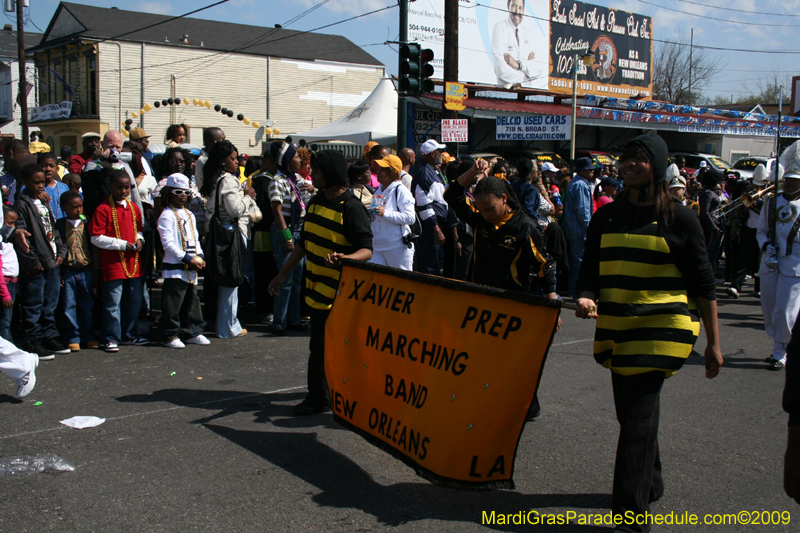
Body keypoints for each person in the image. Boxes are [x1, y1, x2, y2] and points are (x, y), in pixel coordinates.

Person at [575, 134, 722, 533]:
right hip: (618, 328)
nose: (629, 165)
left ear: (656, 166)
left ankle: (630, 518)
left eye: (639, 159)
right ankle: (651, 482)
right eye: (626, 159)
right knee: (632, 418)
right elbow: (589, 268)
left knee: (637, 421)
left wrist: (714, 343)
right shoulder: (606, 216)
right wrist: (586, 296)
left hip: (661, 331)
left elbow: (704, 283)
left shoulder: (680, 218)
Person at [268, 149, 373, 415]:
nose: (311, 172)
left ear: (333, 174)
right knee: (321, 346)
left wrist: (346, 258)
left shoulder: (351, 207)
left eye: (316, 168)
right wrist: (282, 273)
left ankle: (320, 398)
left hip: (339, 294)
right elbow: (304, 244)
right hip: (316, 289)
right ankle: (326, 395)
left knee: (323, 347)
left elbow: (366, 249)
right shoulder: (315, 202)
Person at [14, 163, 69, 360]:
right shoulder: (22, 204)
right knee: (34, 302)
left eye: (43, 183)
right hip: (37, 263)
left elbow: (53, 230)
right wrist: (32, 261)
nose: (40, 186)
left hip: (52, 259)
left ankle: (49, 336)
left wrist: (61, 251)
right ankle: (32, 339)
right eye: (35, 183)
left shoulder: (44, 201)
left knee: (50, 302)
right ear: (25, 182)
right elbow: (23, 237)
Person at [201, 140, 255, 339]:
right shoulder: (229, 181)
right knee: (231, 281)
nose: (237, 162)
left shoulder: (213, 179)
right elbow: (235, 210)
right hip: (231, 234)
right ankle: (229, 326)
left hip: (217, 233)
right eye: (232, 158)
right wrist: (248, 196)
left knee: (224, 281)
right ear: (222, 160)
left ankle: (226, 324)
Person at [90, 169, 148, 352]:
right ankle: (111, 337)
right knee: (112, 303)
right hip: (113, 264)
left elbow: (139, 230)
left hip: (133, 264)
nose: (123, 191)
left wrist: (140, 240)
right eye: (119, 187)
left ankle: (129, 335)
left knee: (134, 301)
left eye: (127, 188)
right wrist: (122, 245)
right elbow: (96, 237)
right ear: (111, 187)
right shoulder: (103, 209)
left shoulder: (134, 207)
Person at [757, 142, 800, 371]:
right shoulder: (771, 201)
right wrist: (765, 245)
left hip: (795, 266)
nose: (790, 182)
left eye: (795, 179)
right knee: (770, 308)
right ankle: (779, 345)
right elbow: (761, 229)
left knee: (785, 310)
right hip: (771, 263)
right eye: (788, 178)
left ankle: (780, 352)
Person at [158, 174, 210, 349]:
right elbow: (169, 244)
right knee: (173, 302)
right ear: (169, 193)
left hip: (191, 265)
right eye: (178, 192)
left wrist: (200, 256)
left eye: (186, 192)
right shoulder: (166, 215)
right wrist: (188, 258)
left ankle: (192, 331)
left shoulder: (189, 214)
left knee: (192, 300)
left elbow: (195, 239)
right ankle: (169, 334)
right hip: (176, 267)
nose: (182, 195)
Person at [267, 141, 306, 336]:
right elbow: (277, 210)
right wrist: (286, 236)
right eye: (296, 156)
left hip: (299, 228)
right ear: (287, 159)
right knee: (286, 277)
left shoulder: (296, 178)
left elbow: (304, 199)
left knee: (297, 277)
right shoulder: (278, 180)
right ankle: (279, 321)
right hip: (286, 229)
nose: (299, 159)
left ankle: (294, 319)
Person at [56, 191, 98, 351]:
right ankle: (72, 337)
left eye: (80, 206)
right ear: (65, 208)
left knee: (87, 305)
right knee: (69, 305)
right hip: (68, 271)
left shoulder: (87, 223)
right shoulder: (60, 225)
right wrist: (58, 272)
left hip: (85, 269)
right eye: (74, 207)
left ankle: (89, 336)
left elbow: (93, 247)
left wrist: (96, 269)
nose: (78, 210)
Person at [369, 155, 416, 271]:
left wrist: (385, 213)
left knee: (402, 282)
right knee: (376, 280)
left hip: (398, 246)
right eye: (379, 168)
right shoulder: (379, 189)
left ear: (393, 172)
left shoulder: (401, 190)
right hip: (378, 246)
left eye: (383, 169)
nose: (379, 172)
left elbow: (410, 218)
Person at [412, 139, 448, 275]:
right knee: (429, 266)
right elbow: (424, 206)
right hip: (429, 229)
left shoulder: (431, 171)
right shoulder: (425, 173)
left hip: (433, 227)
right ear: (432, 154)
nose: (441, 154)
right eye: (439, 151)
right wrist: (436, 230)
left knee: (433, 263)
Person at [251, 150, 279, 323]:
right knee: (265, 271)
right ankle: (265, 309)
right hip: (263, 233)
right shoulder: (263, 182)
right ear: (266, 163)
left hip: (272, 231)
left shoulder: (277, 180)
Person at [491, 0, 545, 87]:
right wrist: (527, 76)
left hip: (525, 94)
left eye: (520, 8)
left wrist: (519, 65)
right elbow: (501, 69)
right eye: (514, 6)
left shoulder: (528, 33)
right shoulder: (499, 28)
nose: (517, 11)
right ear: (508, 5)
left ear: (523, 10)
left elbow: (538, 68)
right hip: (505, 92)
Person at [563, 157, 595, 296]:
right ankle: (575, 289)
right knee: (579, 261)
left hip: (572, 227)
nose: (592, 172)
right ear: (583, 170)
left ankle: (573, 288)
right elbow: (583, 211)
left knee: (576, 260)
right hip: (579, 229)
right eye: (590, 170)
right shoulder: (581, 185)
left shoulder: (575, 183)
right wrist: (590, 228)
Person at [698, 170, 723, 273]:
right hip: (709, 226)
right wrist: (713, 227)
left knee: (713, 252)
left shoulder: (711, 191)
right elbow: (705, 212)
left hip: (714, 223)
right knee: (708, 252)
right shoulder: (707, 192)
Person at [0, 207, 18, 343]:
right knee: (4, 322)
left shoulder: (7, 243)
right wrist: (5, 294)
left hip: (12, 283)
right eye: (9, 223)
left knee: (8, 321)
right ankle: (8, 351)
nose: (13, 227)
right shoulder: (2, 245)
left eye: (14, 223)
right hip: (5, 286)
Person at [38, 152, 71, 220]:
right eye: (43, 166)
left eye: (51, 166)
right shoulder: (32, 188)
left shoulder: (64, 187)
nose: (48, 169)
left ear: (57, 169)